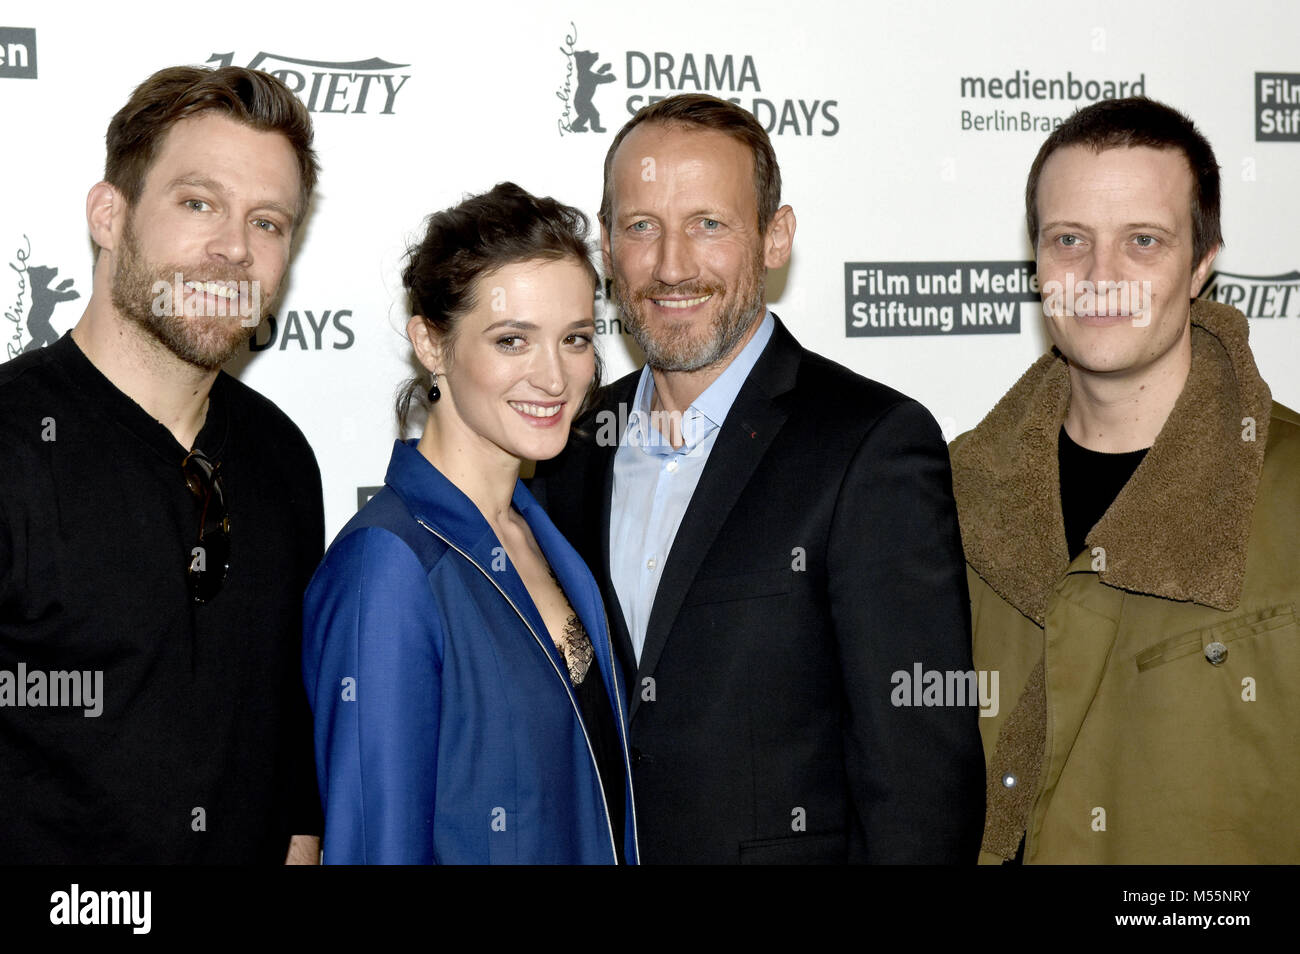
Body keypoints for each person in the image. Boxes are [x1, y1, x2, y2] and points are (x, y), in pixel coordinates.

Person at [531, 94, 984, 863]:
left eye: (709, 224)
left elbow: (921, 784)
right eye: (641, 227)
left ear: (775, 237)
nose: (671, 265)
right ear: (606, 245)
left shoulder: (869, 447)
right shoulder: (564, 444)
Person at [949, 97, 1300, 863]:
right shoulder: (949, 497)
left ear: (1202, 262)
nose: (1100, 276)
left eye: (1144, 241)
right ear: (1036, 262)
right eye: (1069, 239)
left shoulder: (1291, 493)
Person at [0, 66, 324, 863]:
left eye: (269, 222)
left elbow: (288, 754)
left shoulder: (283, 460)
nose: (233, 251)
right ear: (110, 216)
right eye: (198, 203)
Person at [303, 182, 637, 865]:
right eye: (512, 340)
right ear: (430, 342)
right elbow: (376, 850)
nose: (554, 377)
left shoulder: (548, 536)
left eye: (574, 338)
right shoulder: (388, 567)